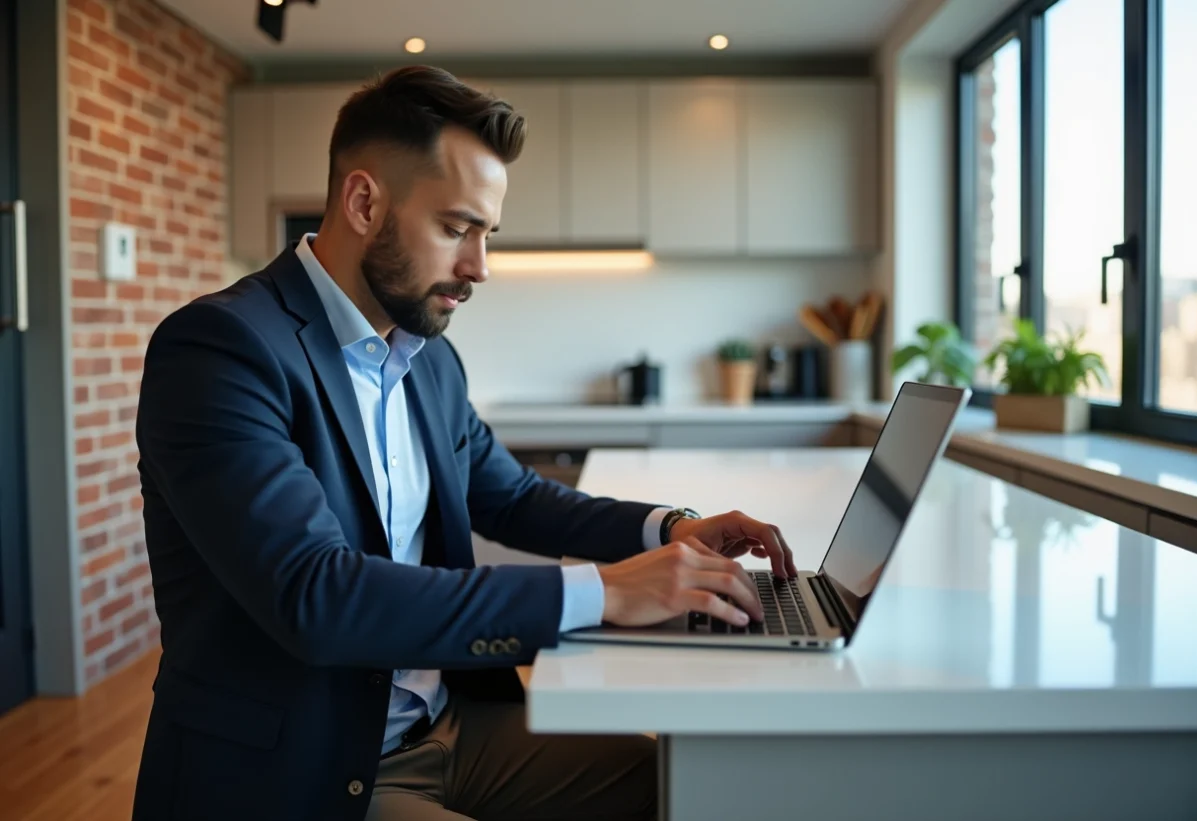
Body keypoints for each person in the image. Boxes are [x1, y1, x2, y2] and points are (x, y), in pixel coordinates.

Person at [131, 65, 797, 821]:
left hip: (448, 721)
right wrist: (607, 591)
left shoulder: (426, 357)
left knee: (686, 790)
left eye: (487, 233)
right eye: (455, 228)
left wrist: (669, 528)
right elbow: (316, 594)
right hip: (306, 768)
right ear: (363, 201)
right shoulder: (222, 349)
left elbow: (511, 495)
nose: (479, 265)